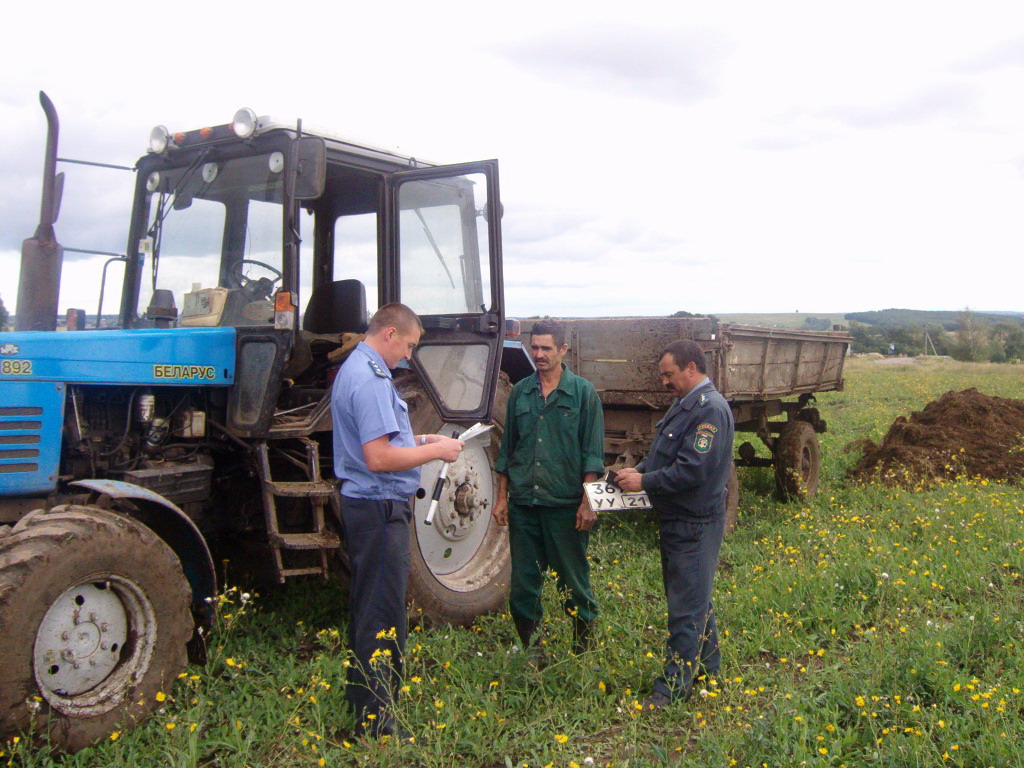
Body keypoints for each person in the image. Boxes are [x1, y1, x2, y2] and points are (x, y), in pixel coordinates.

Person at [331, 302, 464, 737]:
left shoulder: (359, 369)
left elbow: (386, 438)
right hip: (379, 506)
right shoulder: (369, 380)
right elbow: (378, 456)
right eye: (408, 346)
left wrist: (421, 437)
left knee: (370, 606)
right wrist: (437, 451)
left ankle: (362, 704)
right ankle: (377, 722)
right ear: (389, 333)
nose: (408, 356)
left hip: (369, 505)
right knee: (383, 613)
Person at [615, 339, 735, 708]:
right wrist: (639, 469)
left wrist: (645, 483)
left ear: (691, 369)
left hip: (694, 523)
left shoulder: (709, 410)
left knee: (685, 607)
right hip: (677, 519)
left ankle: (672, 688)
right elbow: (664, 454)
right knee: (694, 598)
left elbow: (692, 469)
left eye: (669, 374)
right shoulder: (684, 405)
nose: (664, 382)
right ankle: (708, 671)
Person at [492, 319, 605, 659]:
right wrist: (502, 497)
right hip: (525, 505)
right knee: (523, 587)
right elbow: (508, 449)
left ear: (562, 350)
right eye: (534, 347)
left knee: (573, 582)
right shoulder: (520, 393)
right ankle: (533, 651)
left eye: (546, 348)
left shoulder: (583, 394)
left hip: (564, 507)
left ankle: (582, 651)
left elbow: (592, 455)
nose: (538, 354)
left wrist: (587, 503)